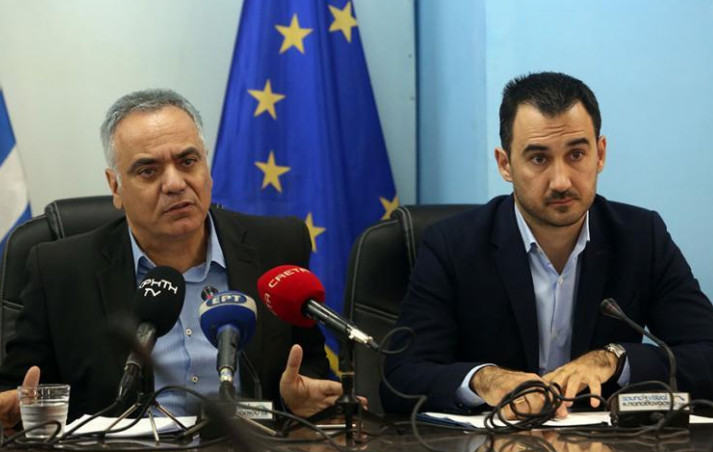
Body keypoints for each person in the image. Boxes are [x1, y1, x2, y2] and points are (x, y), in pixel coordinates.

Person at [0, 89, 343, 429]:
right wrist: (15, 406)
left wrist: (297, 396)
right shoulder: (59, 271)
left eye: (188, 162)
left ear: (207, 166)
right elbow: (20, 387)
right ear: (116, 187)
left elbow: (308, 362)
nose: (175, 183)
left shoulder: (277, 247)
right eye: (148, 171)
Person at [381, 72, 713, 418]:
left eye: (576, 154)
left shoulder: (641, 238)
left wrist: (614, 359)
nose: (561, 181)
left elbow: (706, 355)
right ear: (505, 164)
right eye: (539, 159)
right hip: (493, 441)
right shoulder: (452, 246)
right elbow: (400, 378)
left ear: (600, 154)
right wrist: (483, 380)